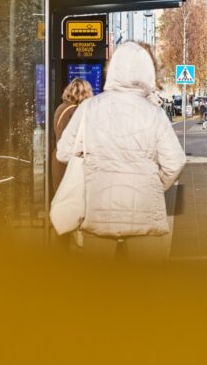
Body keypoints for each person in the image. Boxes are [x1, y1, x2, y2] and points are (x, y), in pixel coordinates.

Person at [55, 42, 186, 261]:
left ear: (113, 70)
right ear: (147, 73)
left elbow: (63, 153)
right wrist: (154, 184)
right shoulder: (154, 113)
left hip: (98, 215)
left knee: (99, 289)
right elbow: (175, 162)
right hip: (145, 216)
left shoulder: (89, 108)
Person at [52, 78, 94, 195]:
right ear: (85, 93)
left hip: (57, 160)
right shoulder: (76, 111)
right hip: (70, 163)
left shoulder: (61, 108)